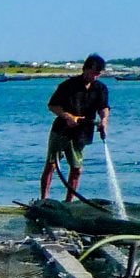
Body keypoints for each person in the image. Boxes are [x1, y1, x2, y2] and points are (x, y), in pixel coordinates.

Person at [42, 54, 112, 201]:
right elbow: (52, 105)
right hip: (61, 130)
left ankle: (69, 202)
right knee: (52, 164)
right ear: (85, 69)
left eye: (98, 74)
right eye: (92, 73)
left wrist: (104, 121)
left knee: (77, 169)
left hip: (82, 132)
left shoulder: (101, 88)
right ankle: (44, 198)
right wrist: (67, 116)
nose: (94, 76)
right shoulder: (68, 85)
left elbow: (103, 107)